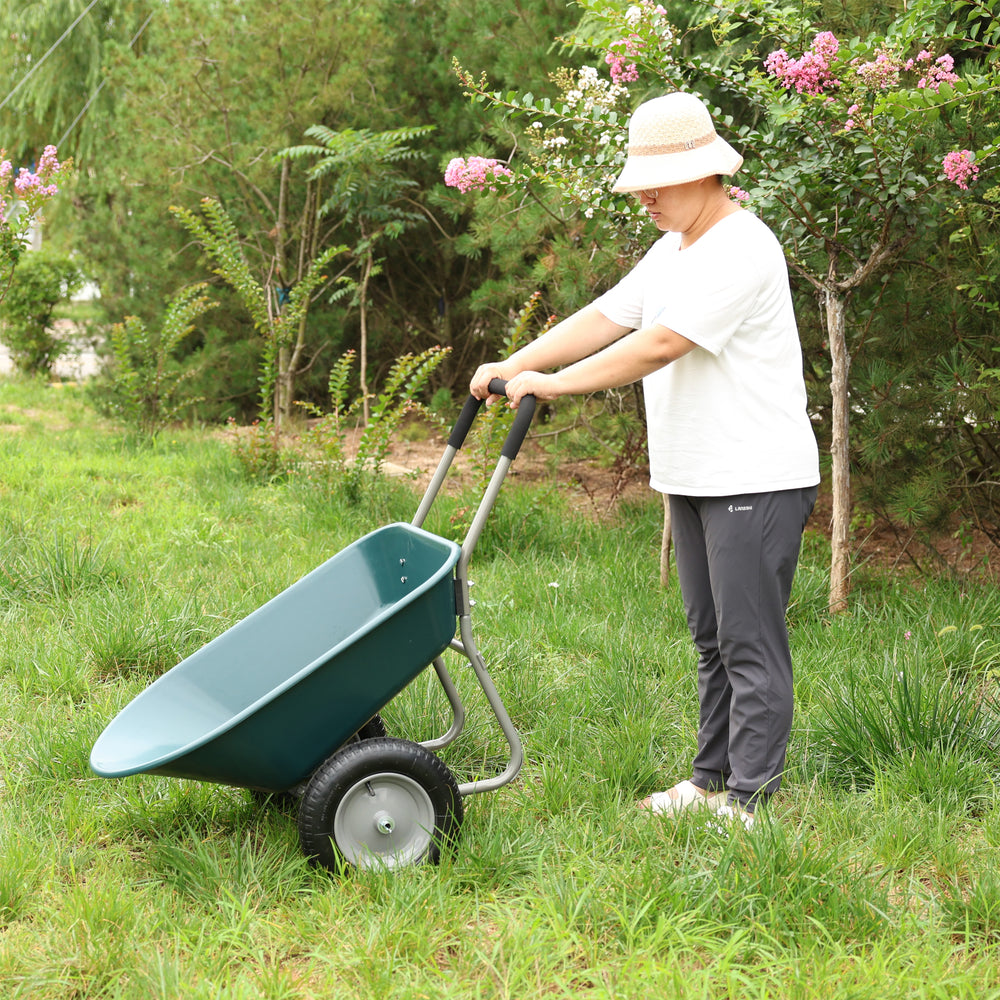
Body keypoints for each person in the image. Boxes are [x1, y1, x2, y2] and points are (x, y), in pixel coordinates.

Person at [470, 91, 820, 830]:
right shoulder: (673, 250)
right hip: (696, 474)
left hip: (755, 474)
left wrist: (555, 385)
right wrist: (516, 360)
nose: (646, 199)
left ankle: (753, 801)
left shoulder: (745, 247)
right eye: (640, 187)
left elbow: (661, 343)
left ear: (707, 175)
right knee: (710, 639)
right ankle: (708, 780)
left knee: (749, 641)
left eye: (658, 185)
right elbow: (606, 317)